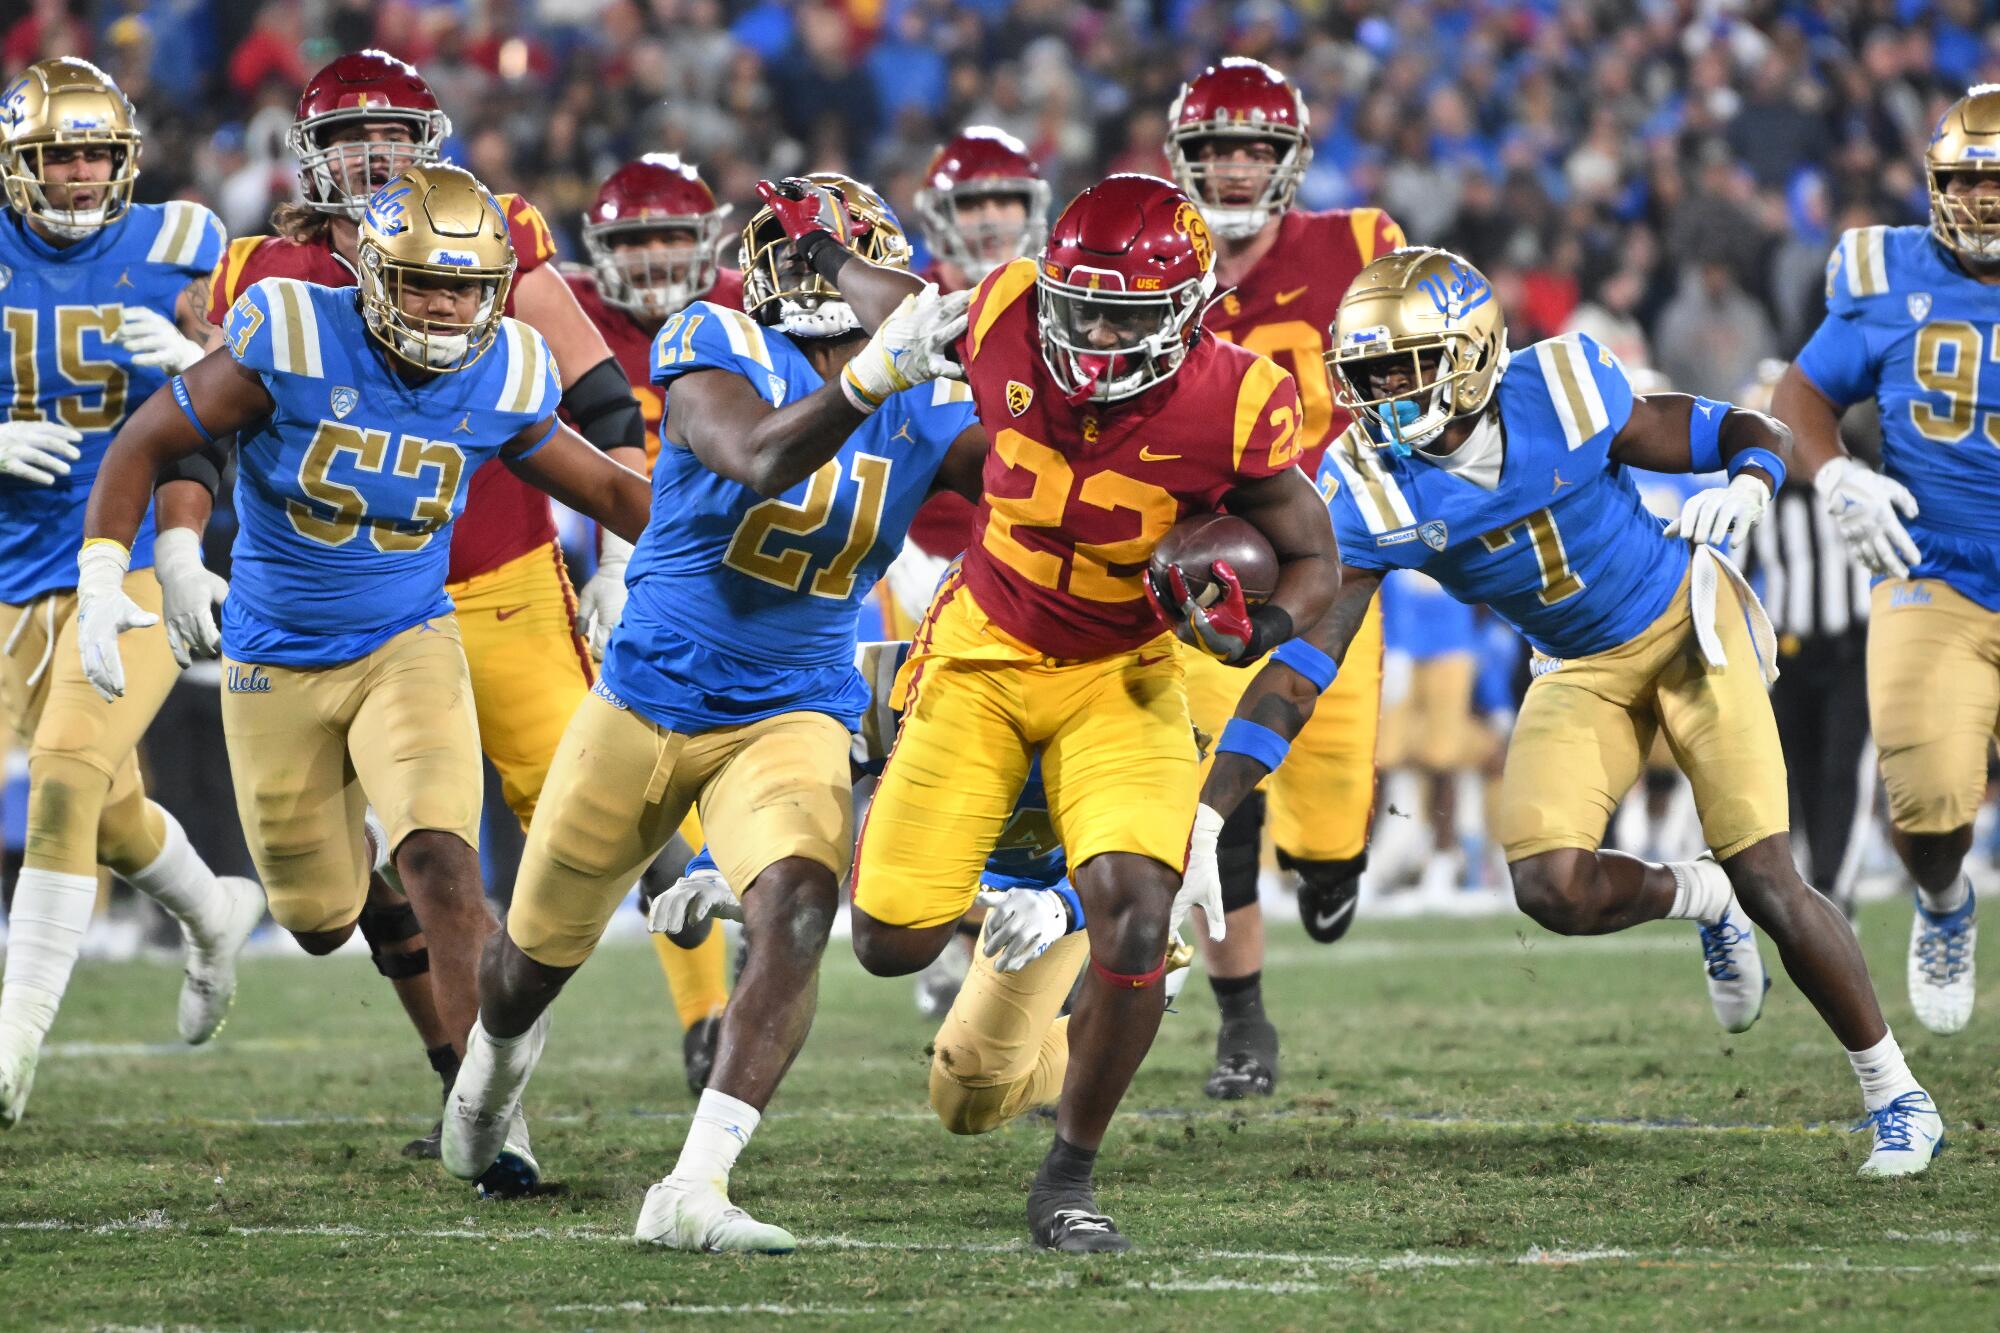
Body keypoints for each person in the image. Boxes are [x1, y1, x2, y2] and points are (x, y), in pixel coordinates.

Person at [1194, 245, 1944, 1178]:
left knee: (1771, 878)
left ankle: (1896, 1093)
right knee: (1550, 887)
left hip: (1685, 628)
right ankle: (1696, 896)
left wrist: (1747, 485)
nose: (1384, 397)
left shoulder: (1560, 384)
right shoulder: (1365, 484)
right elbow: (1305, 667)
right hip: (1578, 665)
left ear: (1471, 353)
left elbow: (1740, 426)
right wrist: (1211, 808)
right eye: (1369, 375)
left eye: (1405, 368)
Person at [80, 163, 655, 1197]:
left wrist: (719, 573)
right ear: (372, 273)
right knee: (317, 919)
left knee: (442, 851)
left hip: (408, 641)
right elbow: (152, 437)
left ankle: (493, 1116)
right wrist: (108, 567)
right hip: (275, 659)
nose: (444, 306)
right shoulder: (292, 334)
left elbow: (610, 485)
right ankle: (361, 904)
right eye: (424, 283)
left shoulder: (506, 369)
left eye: (467, 287)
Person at [439, 175, 985, 1252]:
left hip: (791, 708)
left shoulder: (930, 392)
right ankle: (484, 1087)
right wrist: (878, 375)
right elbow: (758, 454)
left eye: (838, 258)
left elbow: (1027, 469)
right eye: (796, 257)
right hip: (644, 701)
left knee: (793, 906)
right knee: (525, 968)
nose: (809, 280)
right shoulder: (712, 335)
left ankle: (695, 1184)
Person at [847, 173, 1341, 1251]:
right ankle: (1017, 926)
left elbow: (1313, 554)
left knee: (1132, 907)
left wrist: (1249, 632)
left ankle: (1066, 1173)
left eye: (1125, 314)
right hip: (980, 644)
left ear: (1188, 311)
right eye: (1080, 306)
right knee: (886, 939)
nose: (1096, 335)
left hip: (1119, 673)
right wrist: (824, 254)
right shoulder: (1002, 309)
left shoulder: (1235, 396)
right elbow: (899, 305)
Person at [196, 49, 648, 1157]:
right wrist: (166, 545)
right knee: (335, 899)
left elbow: (594, 405)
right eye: (350, 136)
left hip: (476, 584)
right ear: (310, 154)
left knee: (546, 830)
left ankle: (510, 1095)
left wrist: (630, 557)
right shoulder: (266, 275)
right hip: (300, 611)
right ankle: (455, 1066)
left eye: (394, 130)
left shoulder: (490, 227)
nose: (375, 151)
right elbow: (195, 429)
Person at [0, 57, 262, 1129]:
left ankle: (9, 1055)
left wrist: (209, 355)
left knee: (67, 774)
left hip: (138, 560)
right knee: (105, 807)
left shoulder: (185, 244)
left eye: (95, 154)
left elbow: (286, 384)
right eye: (57, 155)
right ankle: (213, 911)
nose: (77, 175)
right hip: (8, 577)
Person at [1163, 57, 1405, 1098]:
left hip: (1337, 572)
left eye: (1250, 148)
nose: (1228, 169)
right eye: (1212, 150)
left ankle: (1339, 857)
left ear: (1287, 159)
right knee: (1218, 805)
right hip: (1211, 570)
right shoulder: (1157, 263)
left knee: (1324, 843)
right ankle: (1243, 1027)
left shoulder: (1358, 248)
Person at [1772, 85, 2000, 1032]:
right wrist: (1832, 478)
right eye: (1968, 183)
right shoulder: (1888, 271)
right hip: (1932, 568)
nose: (1985, 204)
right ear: (1936, 185)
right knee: (1931, 796)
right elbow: (1801, 394)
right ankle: (1944, 901)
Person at [567, 152, 742, 1092]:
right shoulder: (566, 319)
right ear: (600, 251)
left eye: (674, 234)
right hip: (618, 589)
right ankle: (705, 1017)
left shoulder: (752, 310)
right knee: (643, 803)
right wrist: (605, 564)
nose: (657, 255)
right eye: (635, 239)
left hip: (743, 580)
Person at [896, 125, 1052, 1018]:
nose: (991, 218)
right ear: (939, 216)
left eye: (1004, 200)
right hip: (910, 550)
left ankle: (1032, 918)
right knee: (907, 738)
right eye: (973, 202)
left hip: (1027, 556)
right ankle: (942, 917)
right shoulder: (908, 299)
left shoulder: (1066, 299)